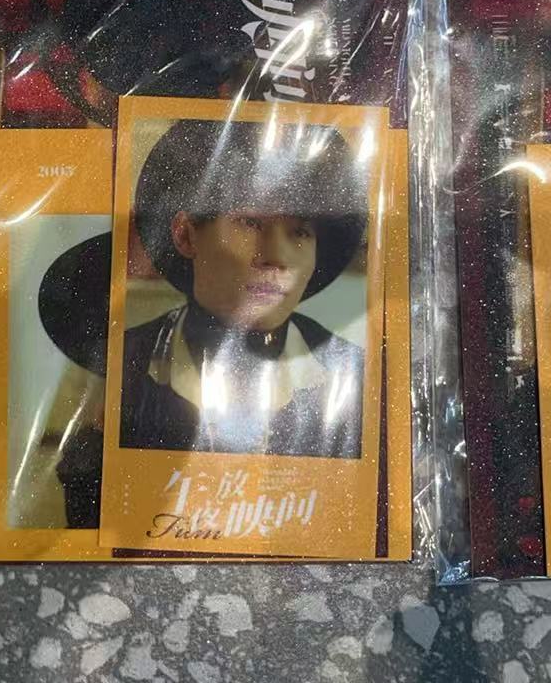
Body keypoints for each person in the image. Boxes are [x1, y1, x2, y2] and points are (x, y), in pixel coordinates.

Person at [119, 118, 370, 458]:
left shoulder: (355, 374)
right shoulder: (121, 361)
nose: (277, 257)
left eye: (300, 232)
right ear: (186, 235)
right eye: (250, 222)